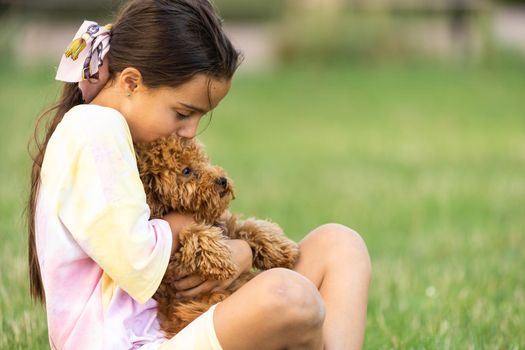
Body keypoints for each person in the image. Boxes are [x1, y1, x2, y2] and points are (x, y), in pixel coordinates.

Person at [26, 0, 372, 349]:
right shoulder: (91, 130)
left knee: (340, 246)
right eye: (182, 113)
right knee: (289, 296)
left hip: (175, 330)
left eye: (198, 117)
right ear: (131, 83)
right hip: (132, 342)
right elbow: (138, 261)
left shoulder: (121, 134)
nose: (190, 131)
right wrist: (183, 225)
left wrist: (244, 253)